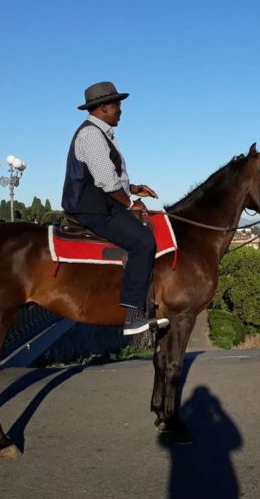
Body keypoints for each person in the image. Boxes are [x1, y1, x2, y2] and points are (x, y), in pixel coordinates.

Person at [61, 81, 169, 335]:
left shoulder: (102, 133)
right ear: (102, 107)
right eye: (117, 104)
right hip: (91, 209)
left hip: (101, 203)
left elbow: (110, 177)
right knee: (143, 241)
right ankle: (133, 315)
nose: (121, 110)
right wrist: (131, 203)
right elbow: (106, 182)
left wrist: (132, 188)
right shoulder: (91, 135)